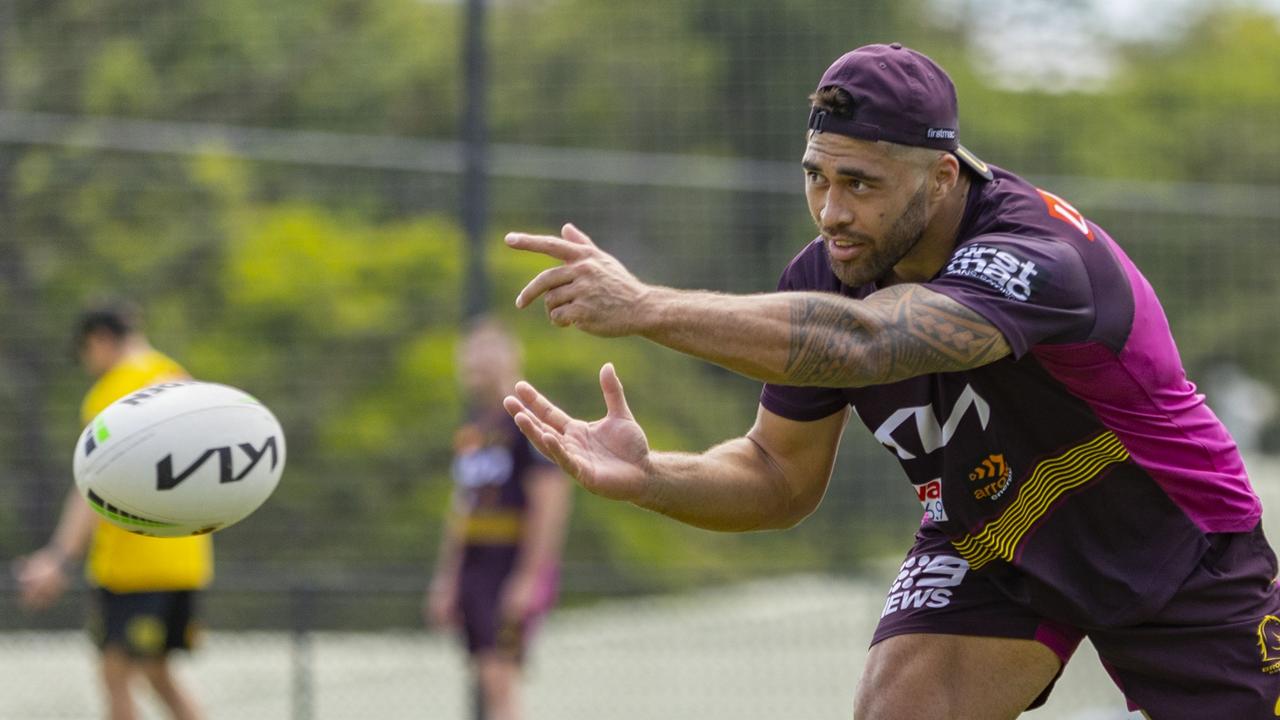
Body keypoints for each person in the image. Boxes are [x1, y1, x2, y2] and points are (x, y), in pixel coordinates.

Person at [501, 43, 1279, 719]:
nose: (830, 211)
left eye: (861, 184)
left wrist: (644, 307)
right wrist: (649, 478)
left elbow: (869, 344)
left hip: (1172, 542)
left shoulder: (1039, 254)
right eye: (816, 178)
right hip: (992, 536)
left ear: (941, 177)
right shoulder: (831, 274)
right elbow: (776, 477)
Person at [14, 302, 209, 720]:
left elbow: (96, 487)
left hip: (133, 566)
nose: (89, 364)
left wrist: (59, 558)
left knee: (114, 673)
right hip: (185, 560)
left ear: (100, 340)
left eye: (86, 351)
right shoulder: (177, 377)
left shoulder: (115, 392)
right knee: (157, 673)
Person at [425, 318, 571, 720]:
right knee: (488, 677)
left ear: (511, 356)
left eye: (488, 351)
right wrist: (449, 578)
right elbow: (462, 508)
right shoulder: (473, 430)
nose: (476, 360)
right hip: (477, 566)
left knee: (501, 680)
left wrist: (529, 576)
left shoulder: (527, 421)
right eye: (471, 352)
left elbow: (551, 498)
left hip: (510, 564)